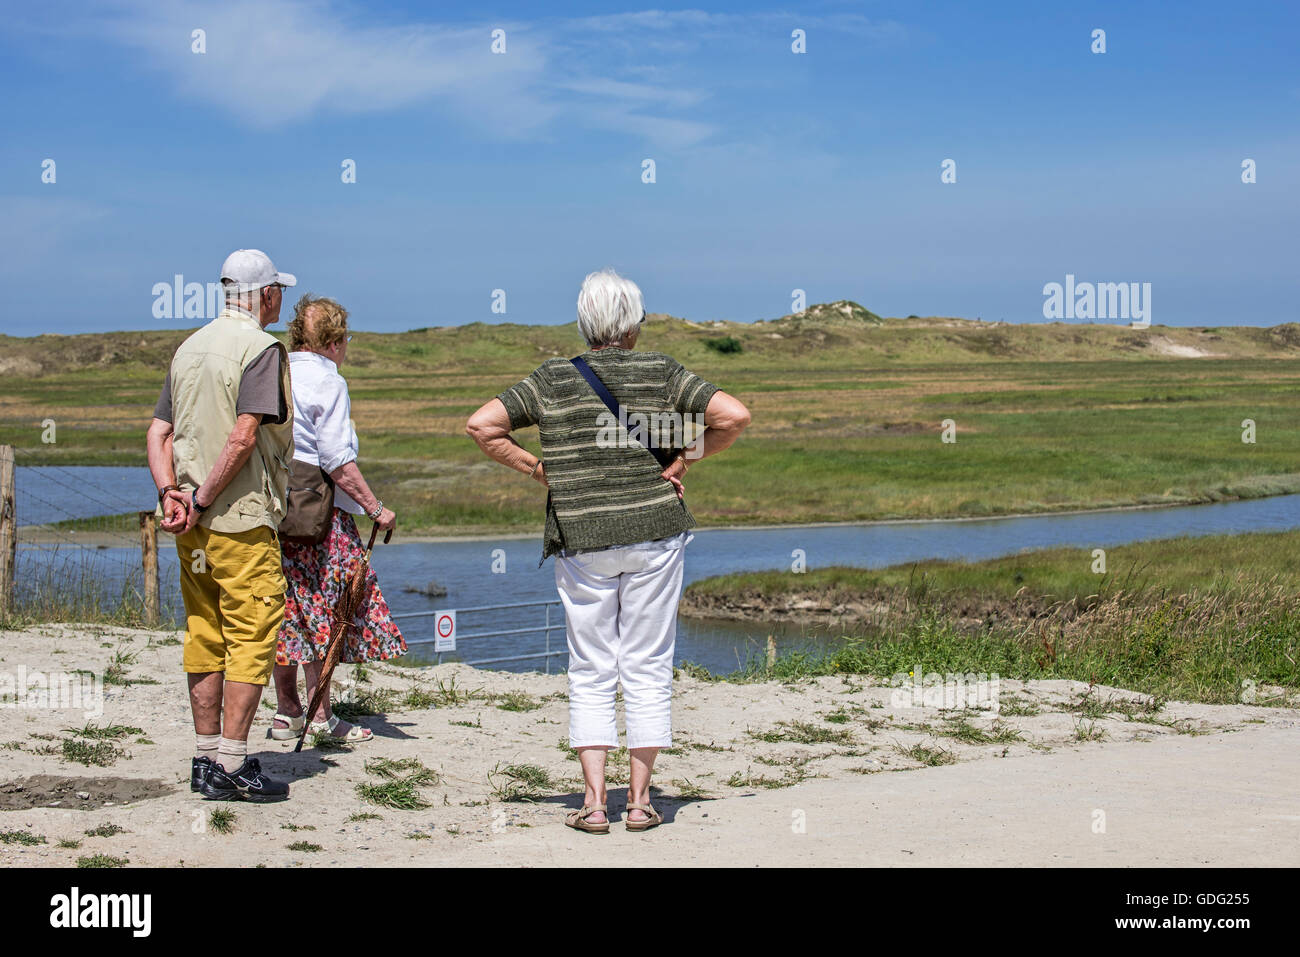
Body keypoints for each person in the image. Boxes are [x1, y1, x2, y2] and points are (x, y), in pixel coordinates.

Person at [465, 268, 751, 832]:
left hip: (582, 538)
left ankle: (594, 804)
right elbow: (733, 416)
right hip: (655, 534)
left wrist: (541, 470)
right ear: (634, 325)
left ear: (584, 323)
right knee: (647, 664)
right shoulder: (662, 371)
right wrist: (685, 458)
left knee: (591, 666)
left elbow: (482, 425)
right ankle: (641, 804)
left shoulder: (552, 378)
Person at [145, 248, 297, 802]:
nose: (282, 298)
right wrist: (205, 500)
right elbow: (243, 435)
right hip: (238, 519)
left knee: (204, 633)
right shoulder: (261, 350)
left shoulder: (188, 348)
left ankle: (206, 757)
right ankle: (233, 763)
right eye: (278, 289)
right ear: (265, 295)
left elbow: (158, 433)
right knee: (252, 634)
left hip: (191, 526)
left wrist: (172, 497)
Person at [270, 295, 404, 745]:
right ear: (333, 340)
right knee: (328, 610)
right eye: (344, 338)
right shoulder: (329, 381)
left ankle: (286, 711)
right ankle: (322, 716)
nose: (345, 347)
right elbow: (337, 459)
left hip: (274, 507)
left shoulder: (278, 367)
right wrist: (375, 508)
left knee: (285, 609)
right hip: (318, 517)